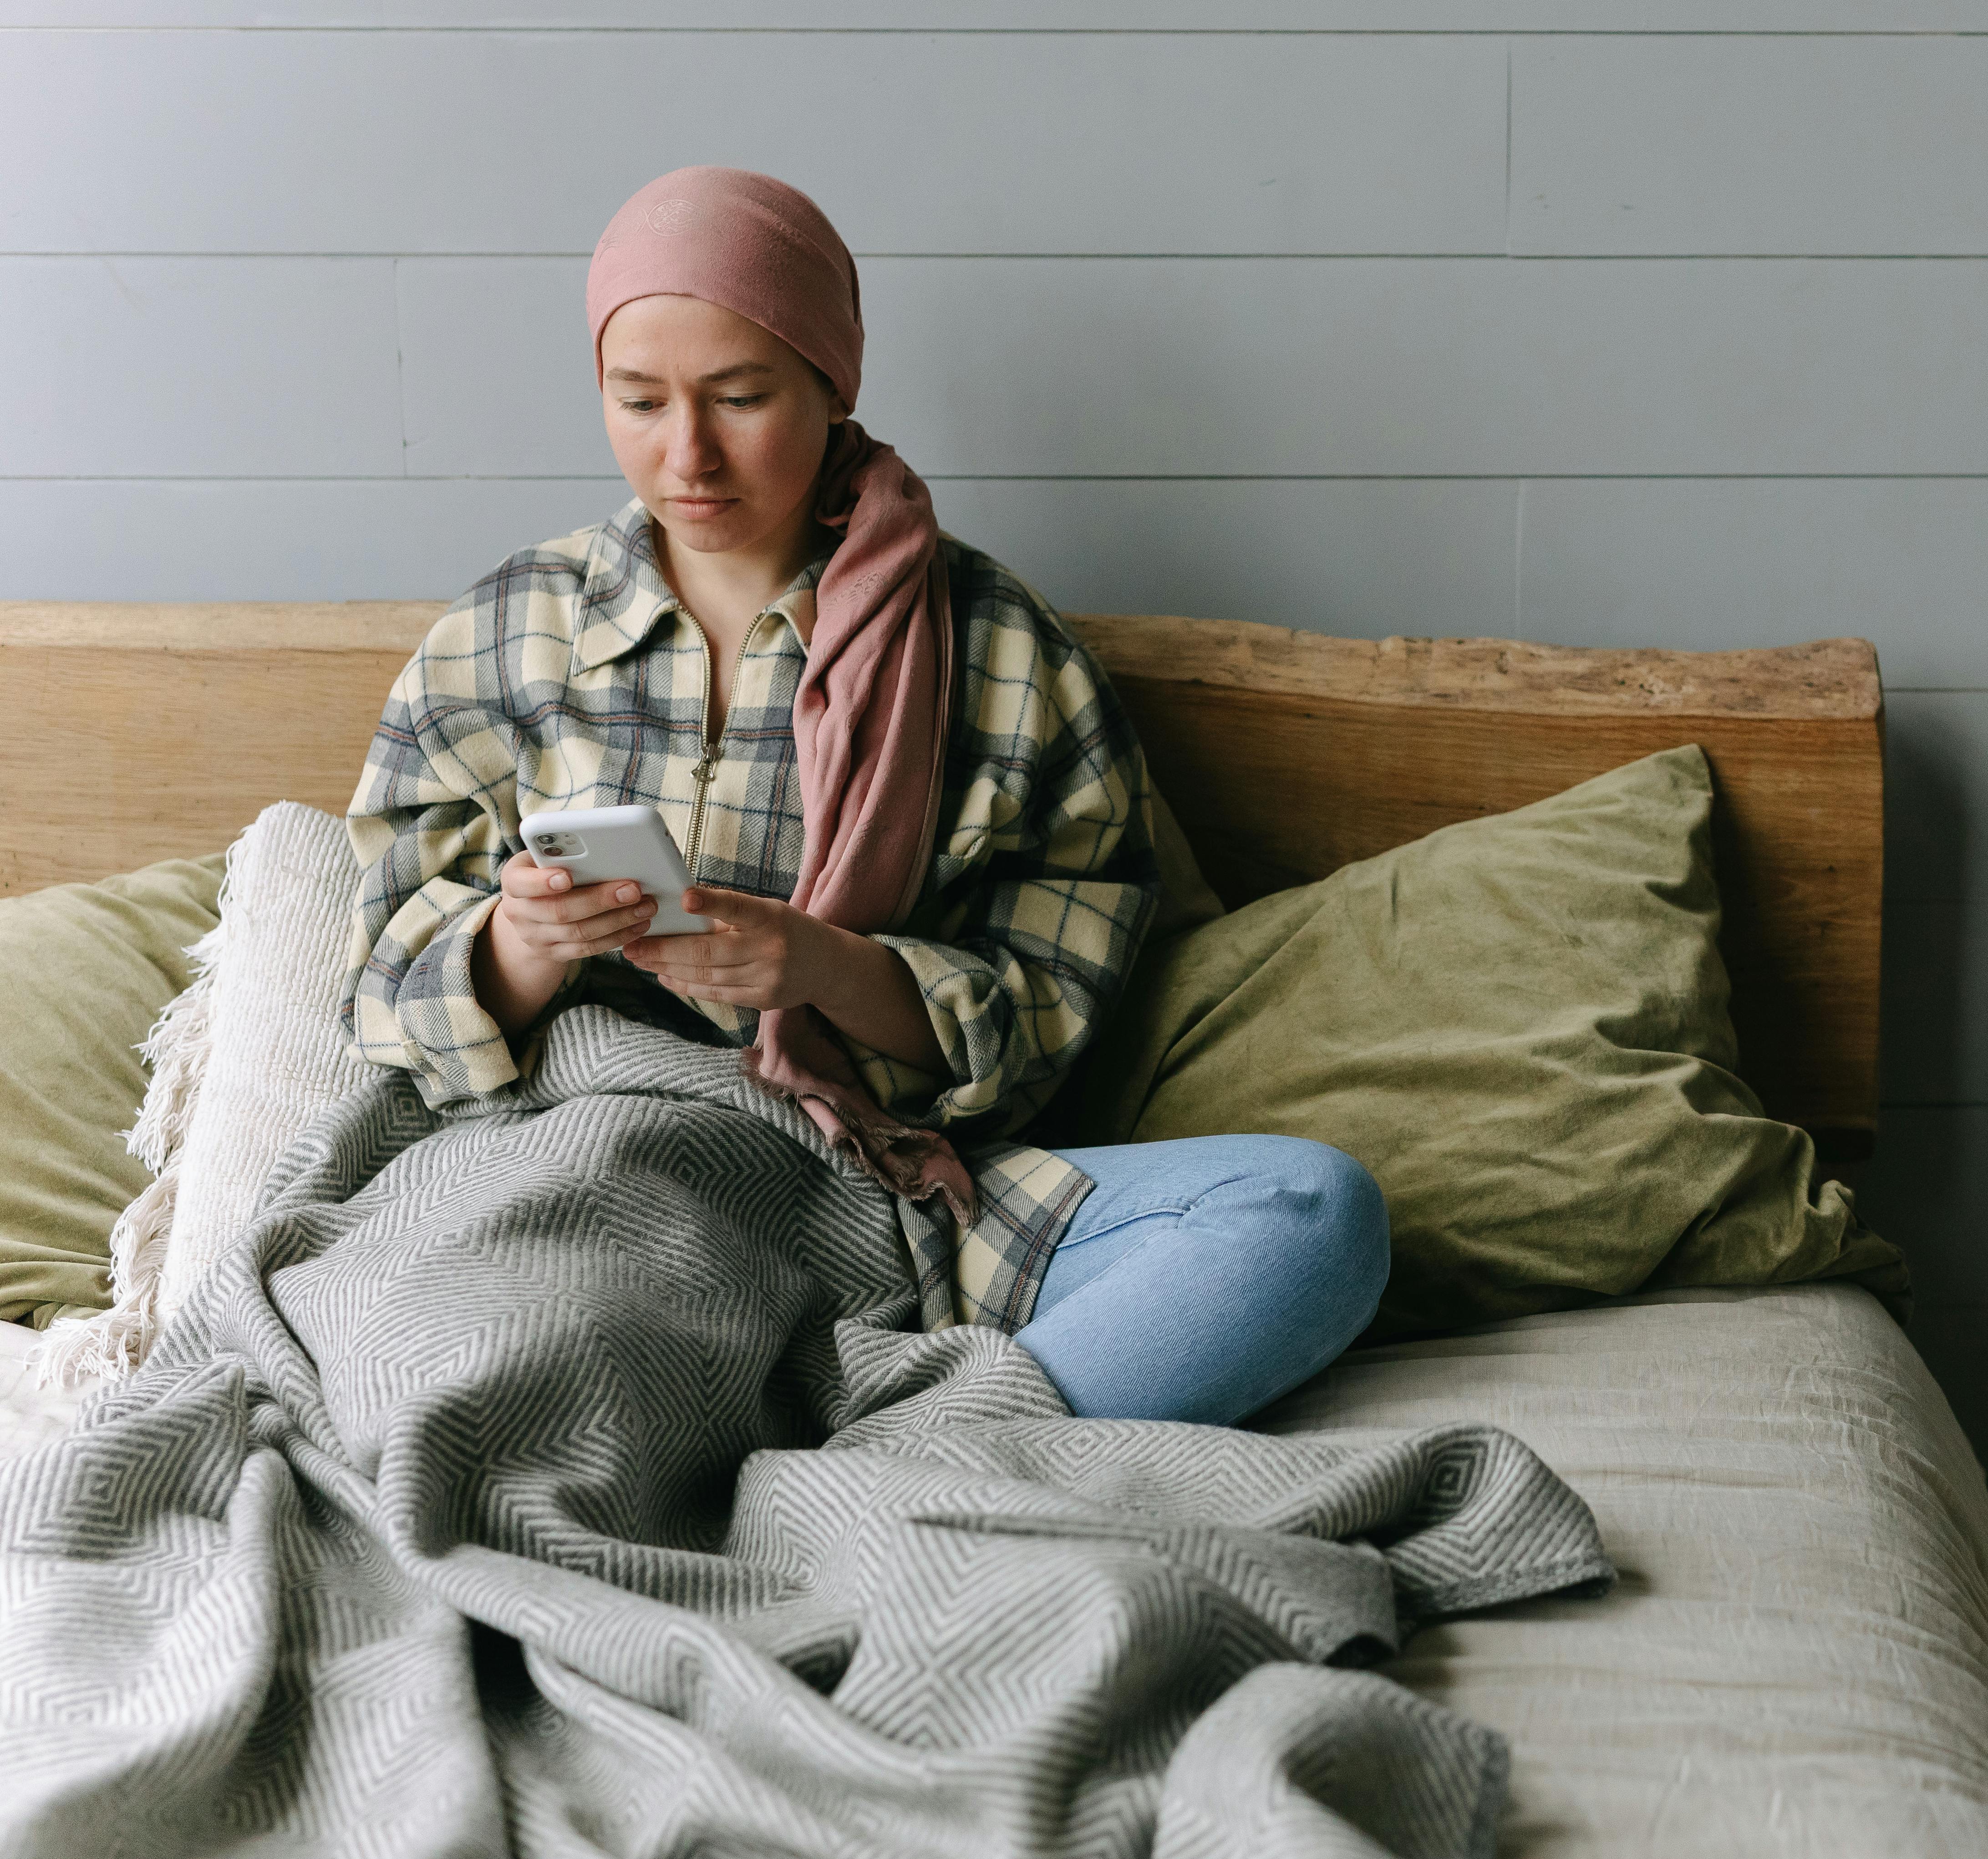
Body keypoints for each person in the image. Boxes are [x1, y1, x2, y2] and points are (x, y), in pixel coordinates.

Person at [342, 166, 1385, 1425]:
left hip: (864, 1189)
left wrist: (825, 969)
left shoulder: (999, 650)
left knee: (1310, 1216)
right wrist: (514, 947)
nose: (689, 455)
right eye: (639, 400)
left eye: (742, 397)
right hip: (576, 1168)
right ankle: (871, 1450)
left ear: (835, 384)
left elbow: (1057, 1006)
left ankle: (862, 1456)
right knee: (490, 1318)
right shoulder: (507, 630)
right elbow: (382, 984)